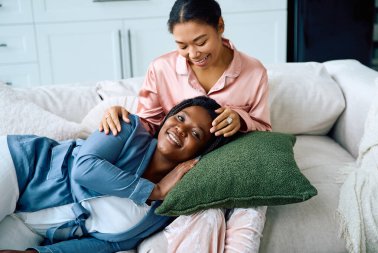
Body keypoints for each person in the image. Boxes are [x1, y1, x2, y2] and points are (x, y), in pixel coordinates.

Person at [99, 0, 271, 252]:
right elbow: (148, 124)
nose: (193, 54)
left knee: (253, 204)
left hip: (225, 171)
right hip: (178, 174)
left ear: (220, 26)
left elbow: (265, 132)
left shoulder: (254, 72)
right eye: (182, 46)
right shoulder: (161, 68)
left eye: (201, 42)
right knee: (207, 218)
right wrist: (119, 113)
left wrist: (241, 119)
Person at [0, 96, 225, 253]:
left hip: (28, 223)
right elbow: (84, 169)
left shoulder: (164, 211)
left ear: (200, 153)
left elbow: (112, 245)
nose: (181, 129)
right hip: (22, 166)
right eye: (180, 118)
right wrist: (154, 190)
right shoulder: (128, 127)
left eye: (196, 133)